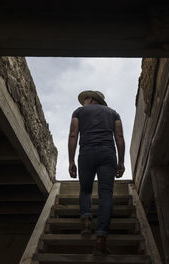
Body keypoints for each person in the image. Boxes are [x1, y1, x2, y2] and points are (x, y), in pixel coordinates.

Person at [68, 90, 125, 256]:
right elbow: (119, 137)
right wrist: (121, 161)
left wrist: (71, 160)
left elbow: (73, 135)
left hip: (86, 153)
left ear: (90, 99)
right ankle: (101, 239)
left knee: (85, 190)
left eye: (84, 100)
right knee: (105, 194)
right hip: (108, 154)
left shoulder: (79, 112)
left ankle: (86, 219)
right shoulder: (114, 113)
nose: (83, 102)